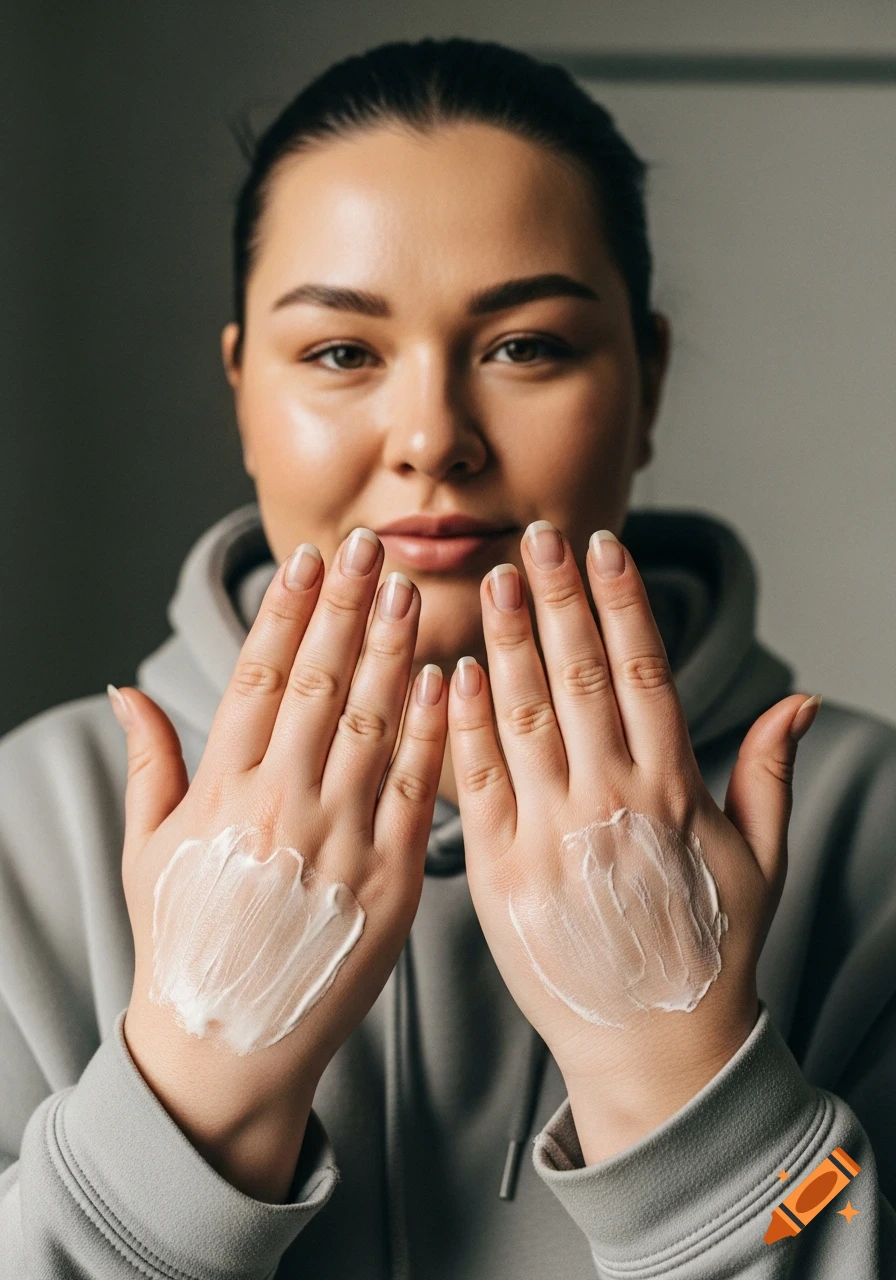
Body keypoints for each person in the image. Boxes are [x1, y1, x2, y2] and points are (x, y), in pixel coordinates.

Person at [0, 36, 893, 1280]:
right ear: (242, 391)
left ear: (646, 385)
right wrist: (190, 1090)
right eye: (339, 353)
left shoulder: (872, 830)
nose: (431, 437)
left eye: (524, 345)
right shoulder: (24, 829)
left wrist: (683, 1089)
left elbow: (838, 1224)